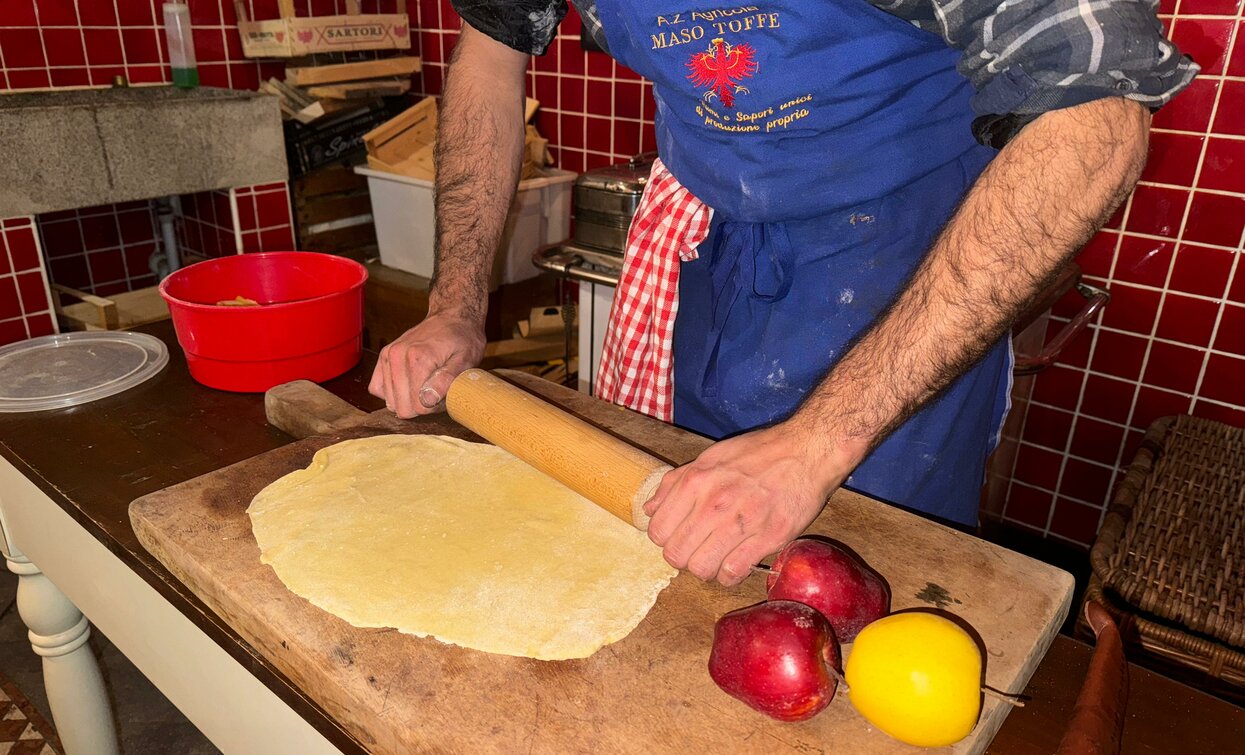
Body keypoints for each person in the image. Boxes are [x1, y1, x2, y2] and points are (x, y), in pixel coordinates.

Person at [370, 0, 1195, 585]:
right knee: (689, 540)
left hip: (907, 266)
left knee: (863, 576)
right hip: (717, 238)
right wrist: (453, 306)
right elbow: (489, 51)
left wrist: (817, 444)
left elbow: (1099, 109)